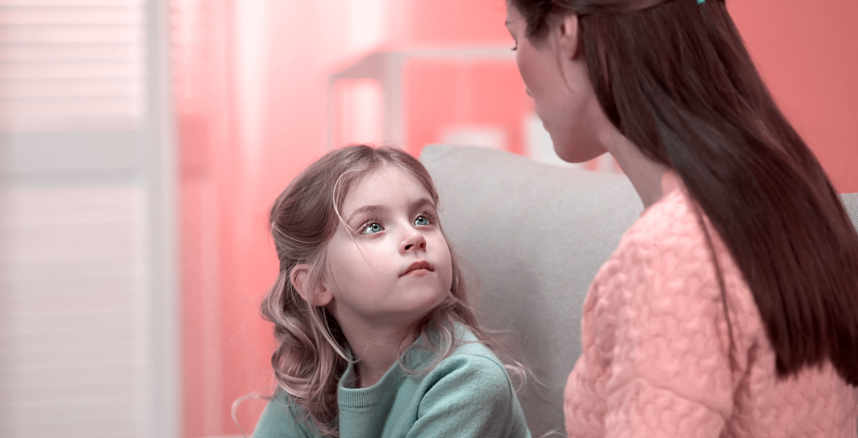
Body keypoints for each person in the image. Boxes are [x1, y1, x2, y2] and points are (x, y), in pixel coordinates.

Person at [504, 0, 858, 436]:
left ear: (566, 31)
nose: (520, 79)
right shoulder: (794, 197)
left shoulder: (672, 251)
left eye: (514, 38)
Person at [251, 145, 531, 437]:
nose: (414, 236)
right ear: (315, 284)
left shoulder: (470, 380)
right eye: (373, 227)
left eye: (423, 219)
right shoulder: (312, 382)